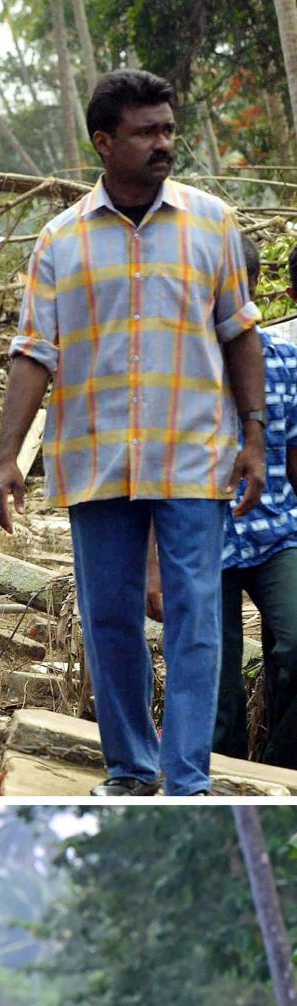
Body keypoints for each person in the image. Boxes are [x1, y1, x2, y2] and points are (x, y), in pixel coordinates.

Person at [0, 69, 265, 797]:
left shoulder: (213, 224)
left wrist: (257, 438)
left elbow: (240, 334)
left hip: (193, 455)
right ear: (104, 143)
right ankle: (131, 769)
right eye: (147, 132)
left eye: (168, 129)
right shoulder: (61, 240)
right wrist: (6, 458)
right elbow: (33, 353)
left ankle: (186, 780)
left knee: (196, 619)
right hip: (96, 455)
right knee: (110, 620)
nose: (163, 143)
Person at [207, 236, 297, 766]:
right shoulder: (182, 376)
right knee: (217, 690)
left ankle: (279, 770)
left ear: (253, 289)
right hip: (199, 538)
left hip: (278, 532)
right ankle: (222, 778)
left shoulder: (285, 362)